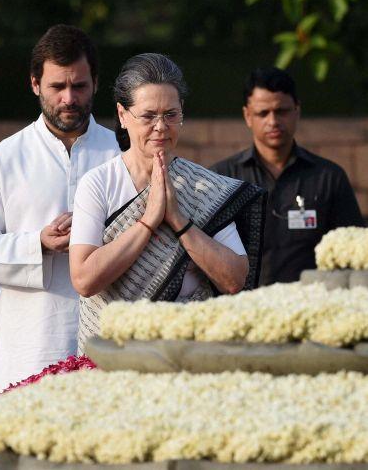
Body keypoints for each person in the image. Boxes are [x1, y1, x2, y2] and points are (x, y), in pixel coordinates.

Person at [0, 24, 121, 392]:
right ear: (35, 84)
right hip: (29, 347)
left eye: (79, 86)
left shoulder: (122, 156)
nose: (69, 98)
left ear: (95, 82)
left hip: (108, 347)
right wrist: (38, 243)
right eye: (57, 87)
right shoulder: (4, 160)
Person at [68, 54, 266, 352]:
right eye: (148, 116)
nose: (161, 126)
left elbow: (235, 278)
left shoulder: (203, 187)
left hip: (188, 350)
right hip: (114, 353)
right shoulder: (98, 184)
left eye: (170, 115)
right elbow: (84, 279)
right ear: (123, 115)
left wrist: (179, 221)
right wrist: (148, 221)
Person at [212, 67, 364, 285]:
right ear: (247, 115)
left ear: (297, 110)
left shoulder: (329, 177)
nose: (273, 121)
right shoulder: (222, 179)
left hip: (314, 307)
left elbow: (353, 251)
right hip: (242, 309)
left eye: (281, 111)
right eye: (263, 113)